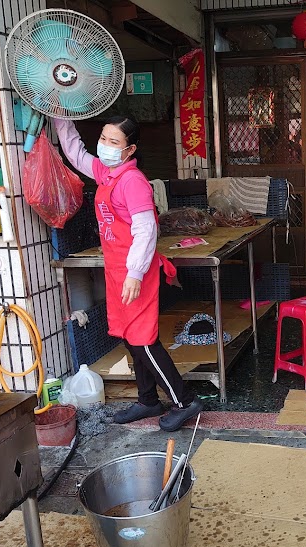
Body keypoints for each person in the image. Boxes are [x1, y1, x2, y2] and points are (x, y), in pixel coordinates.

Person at [53, 116, 202, 431]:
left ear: (130, 149)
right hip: (117, 270)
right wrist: (58, 114)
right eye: (104, 139)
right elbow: (75, 152)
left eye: (114, 142)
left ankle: (186, 401)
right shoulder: (106, 173)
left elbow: (146, 230)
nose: (105, 146)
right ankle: (148, 400)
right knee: (130, 339)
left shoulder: (132, 181)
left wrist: (135, 273)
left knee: (144, 340)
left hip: (136, 271)